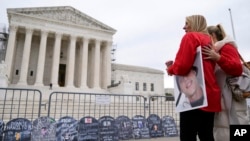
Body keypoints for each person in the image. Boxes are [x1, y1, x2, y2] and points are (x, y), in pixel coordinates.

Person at [166, 15, 221, 141]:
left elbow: (182, 67)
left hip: (195, 98)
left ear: (195, 24)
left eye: (187, 23)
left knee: (187, 136)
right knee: (206, 135)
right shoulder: (208, 40)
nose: (184, 27)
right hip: (210, 93)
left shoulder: (190, 37)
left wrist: (171, 69)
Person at [202, 24, 249, 141]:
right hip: (225, 97)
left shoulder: (227, 47)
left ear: (212, 36)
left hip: (233, 97)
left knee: (237, 125)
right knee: (225, 129)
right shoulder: (217, 49)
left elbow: (237, 69)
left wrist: (218, 58)